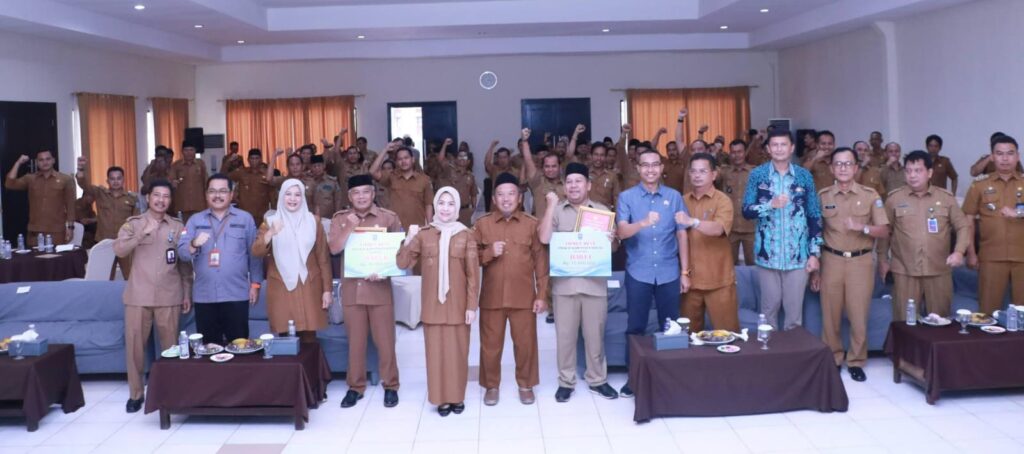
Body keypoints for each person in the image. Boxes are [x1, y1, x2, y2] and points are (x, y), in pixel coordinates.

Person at [538, 163, 619, 402]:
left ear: (588, 185)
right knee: (565, 338)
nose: (573, 186)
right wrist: (550, 206)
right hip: (565, 286)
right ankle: (566, 381)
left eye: (578, 181)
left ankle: (597, 380)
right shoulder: (557, 211)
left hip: (594, 285)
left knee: (595, 337)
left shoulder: (601, 212)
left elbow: (613, 249)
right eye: (569, 182)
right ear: (564, 187)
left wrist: (612, 239)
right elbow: (544, 238)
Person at [396, 187, 480, 417]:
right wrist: (409, 238)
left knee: (458, 353)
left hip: (458, 305)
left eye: (451, 204)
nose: (445, 208)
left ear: (457, 207)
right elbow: (403, 264)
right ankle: (441, 398)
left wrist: (471, 306)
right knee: (435, 354)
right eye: (441, 203)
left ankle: (456, 396)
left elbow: (473, 275)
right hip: (433, 306)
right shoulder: (424, 234)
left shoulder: (466, 235)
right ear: (434, 206)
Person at [615, 147, 691, 397]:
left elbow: (682, 234)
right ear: (638, 168)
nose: (650, 169)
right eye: (645, 165)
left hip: (669, 271)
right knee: (635, 327)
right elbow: (622, 232)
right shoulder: (627, 197)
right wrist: (643, 223)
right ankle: (634, 378)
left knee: (671, 326)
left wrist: (685, 271)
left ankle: (671, 378)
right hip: (639, 271)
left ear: (661, 168)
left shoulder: (674, 196)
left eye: (655, 164)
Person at [112, 179, 192, 413]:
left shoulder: (177, 226)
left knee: (171, 348)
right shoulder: (134, 224)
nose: (161, 200)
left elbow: (184, 264)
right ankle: (136, 395)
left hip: (169, 294)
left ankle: (172, 392)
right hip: (139, 295)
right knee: (135, 350)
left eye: (166, 196)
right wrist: (141, 235)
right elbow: (119, 250)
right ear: (148, 198)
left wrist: (187, 292)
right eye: (157, 195)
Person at [810, 147, 889, 382]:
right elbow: (815, 233)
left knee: (858, 315)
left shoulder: (870, 195)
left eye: (848, 164)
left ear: (856, 168)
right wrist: (816, 270)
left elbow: (884, 230)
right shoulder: (823, 196)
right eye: (838, 164)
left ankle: (856, 360)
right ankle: (833, 358)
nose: (843, 168)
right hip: (831, 260)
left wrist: (861, 227)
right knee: (830, 315)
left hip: (860, 262)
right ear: (831, 168)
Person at [472, 172, 548, 406]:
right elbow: (470, 259)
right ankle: (491, 386)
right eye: (501, 194)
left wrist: (541, 295)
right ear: (494, 199)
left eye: (511, 194)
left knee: (525, 345)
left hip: (523, 297)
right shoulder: (482, 224)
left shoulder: (531, 224)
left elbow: (541, 263)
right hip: (491, 298)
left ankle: (526, 384)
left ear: (520, 197)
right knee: (490, 347)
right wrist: (488, 253)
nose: (506, 199)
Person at [329, 174, 402, 409]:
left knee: (386, 342)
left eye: (366, 192)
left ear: (373, 193)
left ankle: (391, 385)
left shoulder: (388, 218)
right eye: (356, 193)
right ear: (349, 196)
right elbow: (334, 249)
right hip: (352, 290)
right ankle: (355, 387)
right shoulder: (340, 219)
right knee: (355, 343)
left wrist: (386, 270)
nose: (361, 197)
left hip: (379, 289)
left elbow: (400, 253)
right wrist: (349, 227)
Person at [742, 129, 822, 330]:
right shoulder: (757, 175)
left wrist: (814, 254)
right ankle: (769, 349)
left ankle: (793, 349)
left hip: (798, 256)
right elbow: (746, 210)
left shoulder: (804, 176)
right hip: (768, 255)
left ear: (792, 148)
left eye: (783, 144)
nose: (779, 149)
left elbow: (814, 215)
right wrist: (770, 205)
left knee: (794, 314)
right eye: (774, 145)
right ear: (768, 149)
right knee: (769, 310)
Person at [878, 151, 970, 319]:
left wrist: (959, 252)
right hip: (905, 271)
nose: (912, 175)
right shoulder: (894, 199)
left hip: (939, 270)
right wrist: (883, 259)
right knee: (905, 322)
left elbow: (963, 226)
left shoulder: (946, 198)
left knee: (940, 321)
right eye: (908, 171)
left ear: (929, 173)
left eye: (918, 170)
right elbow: (885, 231)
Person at [177, 174, 263, 344]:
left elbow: (254, 254)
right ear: (206, 194)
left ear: (231, 194)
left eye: (223, 191)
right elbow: (182, 254)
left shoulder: (245, 219)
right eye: (212, 191)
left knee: (239, 347)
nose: (217, 195)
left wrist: (255, 284)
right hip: (205, 296)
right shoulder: (195, 220)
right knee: (209, 349)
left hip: (236, 294)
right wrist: (193, 244)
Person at [252, 178, 330, 344]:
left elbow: (323, 258)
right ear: (281, 196)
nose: (293, 199)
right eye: (288, 194)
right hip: (281, 286)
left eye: (297, 194)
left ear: (303, 198)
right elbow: (256, 251)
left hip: (309, 285)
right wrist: (270, 233)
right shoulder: (270, 222)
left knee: (309, 338)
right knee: (285, 342)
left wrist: (327, 290)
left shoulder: (314, 221)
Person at [677, 153, 739, 333]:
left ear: (714, 174)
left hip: (719, 280)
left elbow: (719, 229)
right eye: (693, 171)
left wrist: (693, 222)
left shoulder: (723, 200)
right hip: (690, 281)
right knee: (689, 336)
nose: (697, 175)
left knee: (727, 335)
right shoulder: (682, 200)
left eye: (703, 171)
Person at [962, 135, 1024, 314]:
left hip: (1022, 256)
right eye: (999, 153)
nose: (1005, 158)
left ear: (1017, 156)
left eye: (1010, 153)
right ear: (992, 157)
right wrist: (971, 253)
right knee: (988, 310)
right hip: (991, 257)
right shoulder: (979, 185)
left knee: (1022, 312)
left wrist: (1019, 213)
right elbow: (968, 220)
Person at [76, 157, 139, 276]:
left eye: (119, 178)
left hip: (124, 242)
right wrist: (80, 168)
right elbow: (84, 184)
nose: (116, 181)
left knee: (130, 276)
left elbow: (136, 221)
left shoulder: (132, 198)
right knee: (106, 276)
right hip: (105, 242)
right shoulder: (100, 193)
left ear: (123, 180)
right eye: (112, 179)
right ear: (107, 180)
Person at [4, 150, 75, 246]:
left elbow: (70, 205)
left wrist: (70, 227)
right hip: (35, 230)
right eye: (41, 160)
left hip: (57, 230)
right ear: (37, 162)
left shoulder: (65, 179)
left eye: (48, 159)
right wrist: (18, 162)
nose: (45, 162)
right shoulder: (30, 179)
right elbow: (9, 183)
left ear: (53, 160)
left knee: (56, 255)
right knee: (35, 255)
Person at [371, 142, 434, 230]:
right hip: (395, 228)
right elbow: (373, 171)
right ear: (396, 162)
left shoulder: (424, 180)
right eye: (400, 159)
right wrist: (385, 149)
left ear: (413, 159)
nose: (403, 161)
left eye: (406, 158)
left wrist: (429, 226)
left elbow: (428, 204)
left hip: (417, 228)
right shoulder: (391, 177)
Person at [720, 139, 755, 265]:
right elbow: (710, 172)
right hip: (731, 227)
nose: (736, 155)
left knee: (754, 265)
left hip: (751, 227)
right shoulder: (724, 173)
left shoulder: (755, 173)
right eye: (733, 152)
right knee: (729, 264)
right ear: (730, 154)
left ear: (745, 153)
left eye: (739, 152)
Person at [521, 129, 564, 219]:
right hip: (541, 226)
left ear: (559, 167)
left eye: (554, 166)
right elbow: (528, 160)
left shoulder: (567, 185)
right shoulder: (537, 182)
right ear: (543, 168)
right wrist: (524, 141)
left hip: (562, 227)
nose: (550, 169)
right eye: (547, 166)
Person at [437, 138, 477, 226]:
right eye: (460, 156)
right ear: (456, 159)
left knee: (464, 233)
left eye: (465, 157)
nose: (462, 158)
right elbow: (441, 159)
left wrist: (474, 208)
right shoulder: (449, 169)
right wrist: (445, 144)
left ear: (468, 161)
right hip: (449, 210)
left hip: (464, 212)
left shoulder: (470, 176)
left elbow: (473, 194)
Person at [228, 148, 272, 222]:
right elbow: (224, 176)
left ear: (261, 159)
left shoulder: (266, 175)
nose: (254, 161)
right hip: (244, 215)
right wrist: (228, 161)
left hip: (261, 216)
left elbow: (272, 195)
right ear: (248, 160)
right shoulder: (241, 172)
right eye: (252, 158)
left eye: (256, 158)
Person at [169, 141, 208, 222]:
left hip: (199, 204)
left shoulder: (200, 164)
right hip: (182, 205)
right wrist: (173, 183)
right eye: (186, 150)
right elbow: (171, 181)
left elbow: (206, 182)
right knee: (185, 228)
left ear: (195, 151)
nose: (189, 153)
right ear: (182, 151)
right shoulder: (176, 165)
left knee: (200, 226)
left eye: (191, 150)